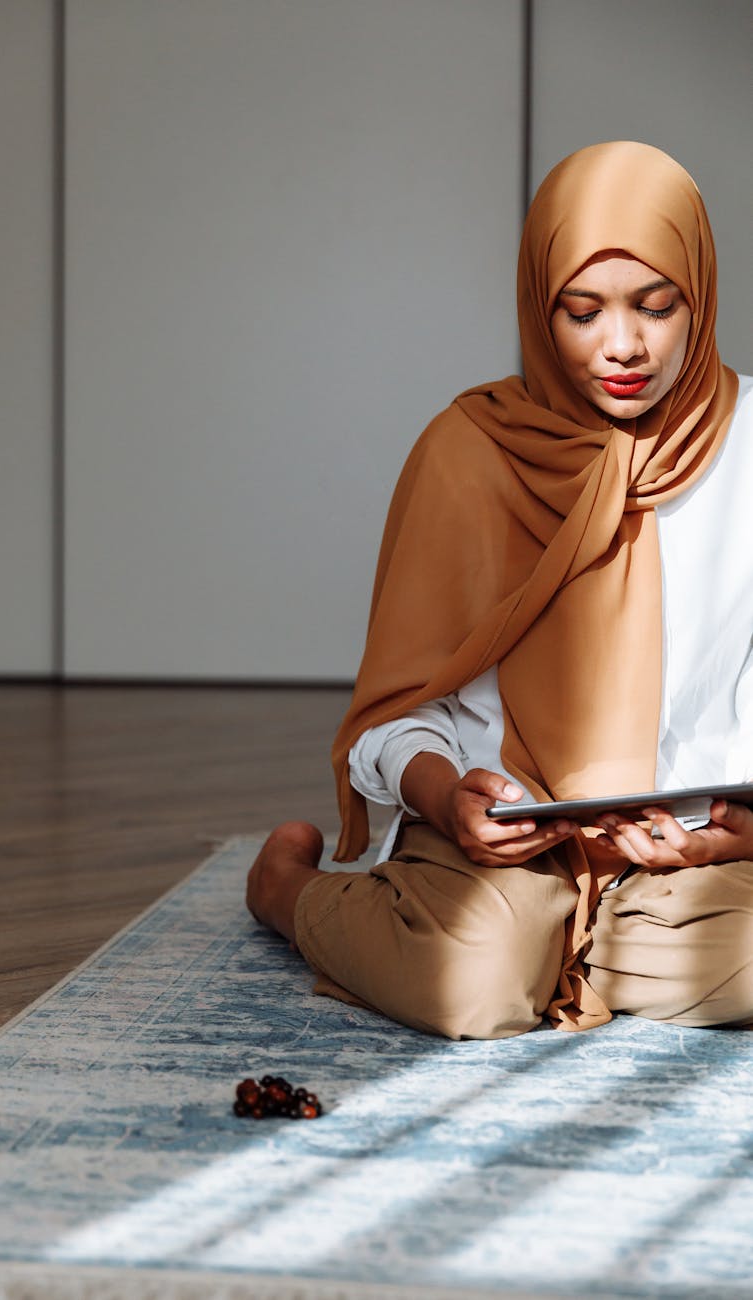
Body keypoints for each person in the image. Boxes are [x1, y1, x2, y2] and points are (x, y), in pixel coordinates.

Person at [247, 140, 753, 1039]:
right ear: (538, 306)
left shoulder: (748, 445)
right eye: (582, 312)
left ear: (700, 294)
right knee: (474, 993)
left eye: (655, 305)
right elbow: (395, 713)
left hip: (691, 849)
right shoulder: (469, 452)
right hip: (506, 838)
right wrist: (445, 799)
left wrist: (742, 832)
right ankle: (289, 892)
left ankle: (576, 939)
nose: (622, 346)